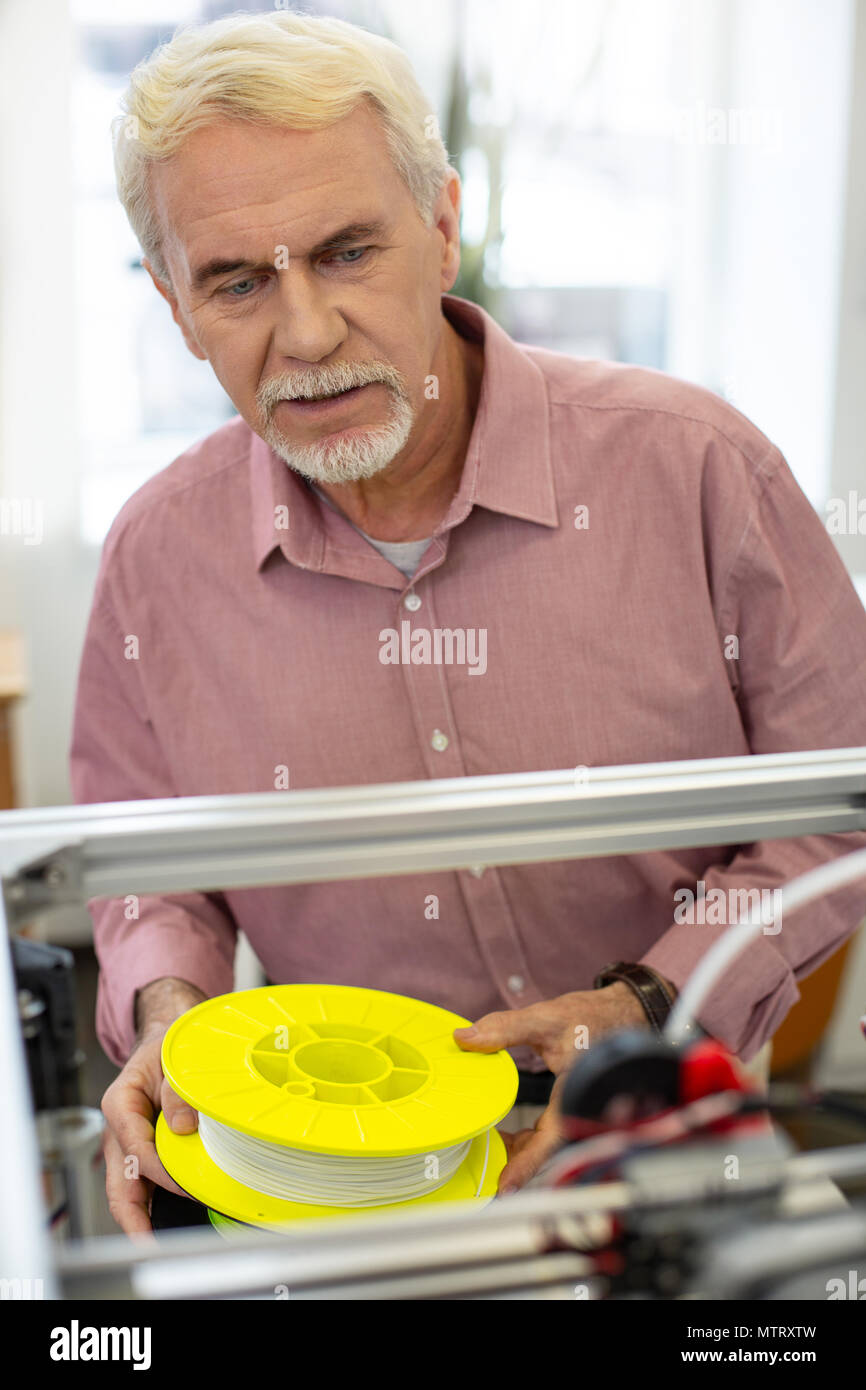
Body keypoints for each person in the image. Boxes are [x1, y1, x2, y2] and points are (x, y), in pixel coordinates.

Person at [70, 11, 866, 1237]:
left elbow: (835, 805)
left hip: (663, 1129)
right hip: (324, 1180)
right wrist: (173, 1007)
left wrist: (645, 1003)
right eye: (235, 280)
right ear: (175, 307)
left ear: (441, 227)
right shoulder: (155, 558)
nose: (306, 333)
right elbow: (144, 868)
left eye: (345, 252)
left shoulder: (695, 469)